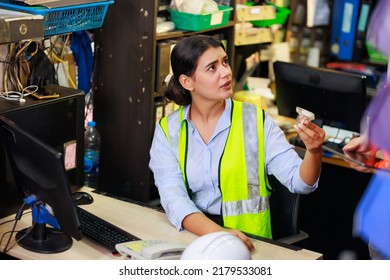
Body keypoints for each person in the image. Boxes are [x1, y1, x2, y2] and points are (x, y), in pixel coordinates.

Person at [149, 35, 325, 251]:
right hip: (194, 239)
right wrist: (219, 234)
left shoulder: (255, 121)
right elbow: (172, 196)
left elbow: (300, 183)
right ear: (187, 82)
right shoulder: (169, 129)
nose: (226, 72)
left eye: (224, 62)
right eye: (212, 68)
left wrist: (314, 151)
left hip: (250, 244)